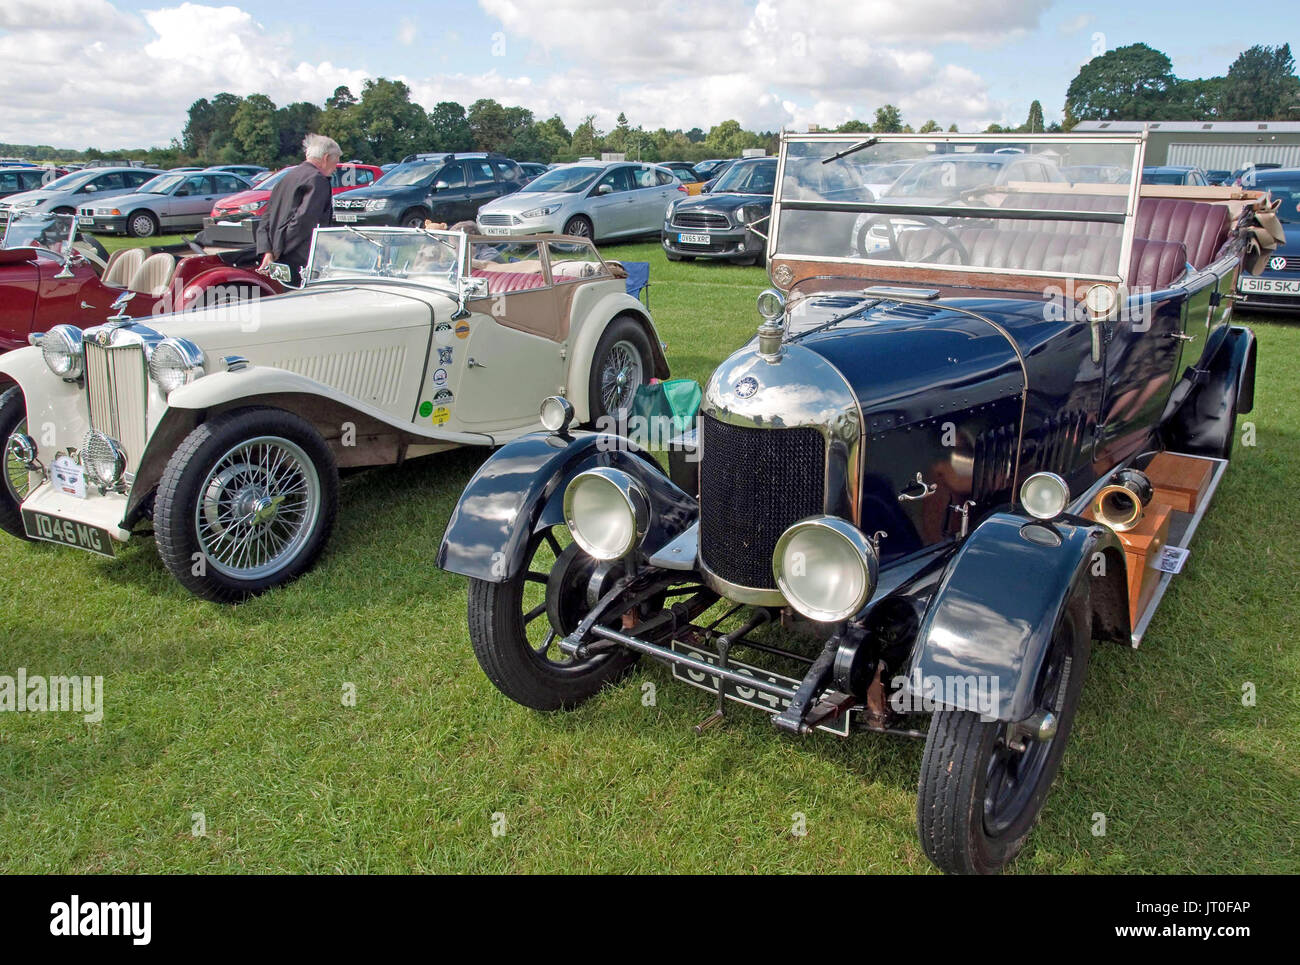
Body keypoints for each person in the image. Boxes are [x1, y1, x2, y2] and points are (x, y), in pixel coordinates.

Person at [256, 133, 340, 284]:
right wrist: (277, 251)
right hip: (301, 258)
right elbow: (304, 221)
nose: (335, 168)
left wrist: (268, 250)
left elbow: (266, 217)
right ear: (326, 158)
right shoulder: (317, 180)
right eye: (336, 162)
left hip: (280, 256)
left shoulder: (287, 177)